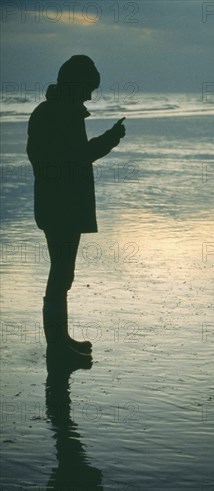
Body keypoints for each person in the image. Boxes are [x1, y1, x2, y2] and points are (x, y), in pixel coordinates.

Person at [27, 55, 126, 366]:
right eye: (88, 89)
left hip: (59, 204)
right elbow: (75, 158)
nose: (89, 96)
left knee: (63, 274)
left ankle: (61, 340)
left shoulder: (57, 112)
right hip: (61, 207)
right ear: (75, 85)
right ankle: (57, 348)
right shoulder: (56, 115)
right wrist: (110, 139)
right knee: (60, 275)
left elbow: (66, 159)